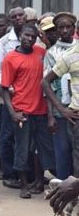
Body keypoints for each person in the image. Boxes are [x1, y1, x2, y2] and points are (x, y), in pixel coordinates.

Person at [1, 23, 56, 198]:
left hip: (41, 111)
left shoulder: (42, 53)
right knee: (22, 150)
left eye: (33, 37)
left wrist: (49, 114)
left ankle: (39, 181)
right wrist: (13, 113)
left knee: (41, 149)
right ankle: (23, 185)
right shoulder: (10, 58)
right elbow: (4, 89)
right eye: (26, 35)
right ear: (21, 35)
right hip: (22, 111)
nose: (29, 39)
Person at [0, 7, 27, 189]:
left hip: (31, 97)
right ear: (11, 21)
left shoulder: (36, 39)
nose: (18, 18)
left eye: (20, 15)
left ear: (26, 17)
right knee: (7, 136)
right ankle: (8, 173)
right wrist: (7, 88)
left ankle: (26, 174)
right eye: (14, 17)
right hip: (10, 97)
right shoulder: (4, 43)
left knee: (28, 136)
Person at [42, 12, 79, 177]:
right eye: (60, 28)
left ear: (73, 29)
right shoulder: (52, 53)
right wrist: (52, 114)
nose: (64, 30)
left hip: (76, 105)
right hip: (61, 108)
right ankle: (64, 186)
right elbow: (46, 83)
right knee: (63, 150)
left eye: (68, 27)